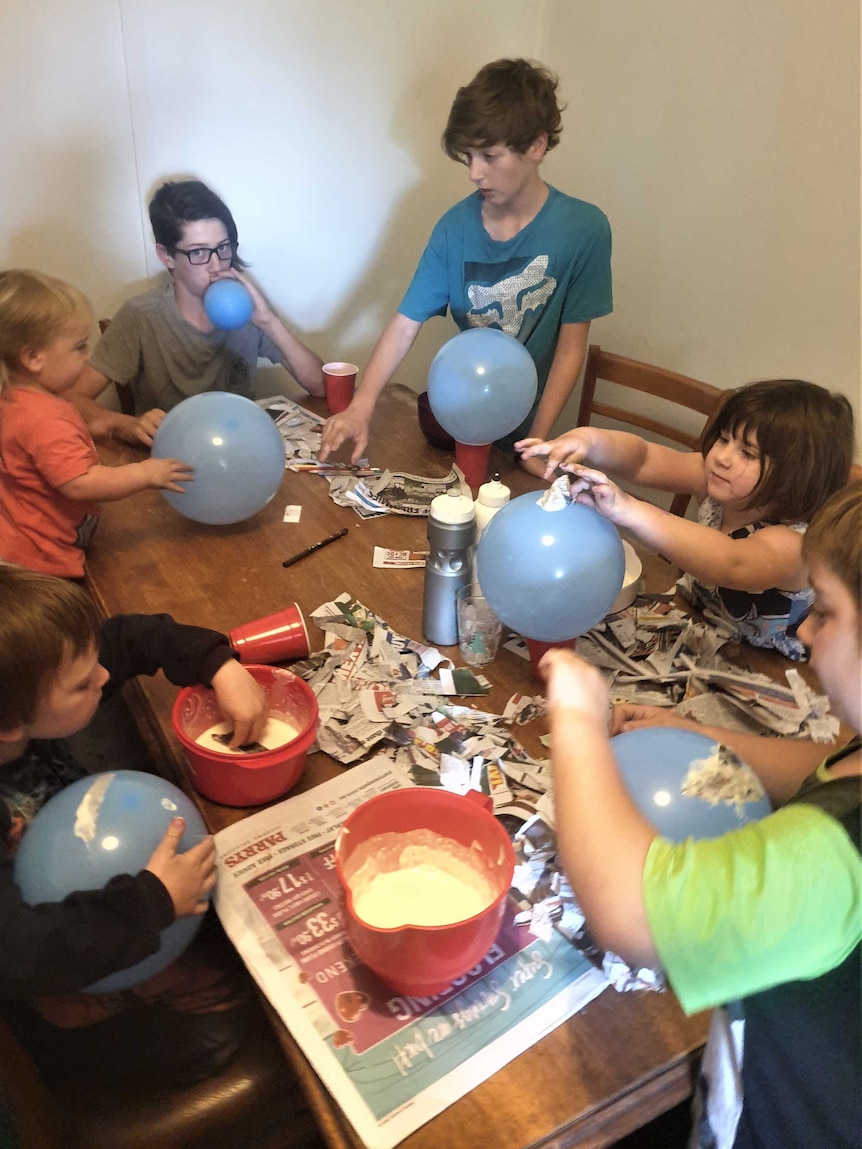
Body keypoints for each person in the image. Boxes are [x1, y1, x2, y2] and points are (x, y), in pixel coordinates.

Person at [541, 479, 861, 1149]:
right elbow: (823, 766)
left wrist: (576, 721)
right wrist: (695, 732)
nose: (804, 629)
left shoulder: (837, 852)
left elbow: (631, 910)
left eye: (826, 612)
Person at [0, 565, 268, 1086]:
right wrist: (154, 902)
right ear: (9, 725)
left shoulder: (28, 685)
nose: (102, 675)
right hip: (43, 952)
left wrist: (221, 666)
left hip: (82, 871)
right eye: (82, 683)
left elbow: (128, 637)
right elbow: (23, 952)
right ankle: (110, 993)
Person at [319, 59, 612, 472]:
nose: (474, 173)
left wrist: (537, 442)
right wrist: (360, 408)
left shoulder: (584, 229)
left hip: (528, 435)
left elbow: (570, 348)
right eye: (469, 156)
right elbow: (404, 324)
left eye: (489, 156)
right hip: (460, 426)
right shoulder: (453, 228)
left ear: (537, 146)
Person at [519, 378, 854, 659]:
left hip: (766, 667)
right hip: (692, 628)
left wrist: (628, 508)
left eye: (747, 453)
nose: (722, 457)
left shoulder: (795, 545)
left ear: (798, 475)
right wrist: (590, 441)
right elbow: (644, 459)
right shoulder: (714, 481)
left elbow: (730, 563)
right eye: (725, 439)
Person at [69, 178, 324, 446]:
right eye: (199, 252)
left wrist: (268, 321)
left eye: (223, 248)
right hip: (168, 463)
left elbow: (320, 386)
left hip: (237, 450)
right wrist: (127, 424)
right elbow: (72, 400)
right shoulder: (141, 315)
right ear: (167, 256)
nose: (216, 265)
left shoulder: (246, 306)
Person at [0, 270, 193, 579]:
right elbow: (79, 482)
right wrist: (144, 473)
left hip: (22, 543)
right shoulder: (43, 418)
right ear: (33, 357)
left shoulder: (17, 400)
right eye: (79, 347)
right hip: (40, 562)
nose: (88, 355)